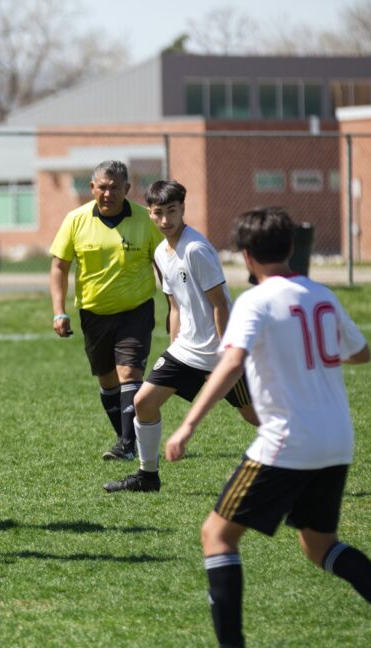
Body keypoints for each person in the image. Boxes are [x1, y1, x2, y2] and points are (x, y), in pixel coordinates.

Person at [164, 207, 371, 648]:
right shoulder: (321, 294)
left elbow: (231, 362)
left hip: (288, 440)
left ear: (246, 255)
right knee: (320, 546)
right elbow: (360, 351)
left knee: (217, 535)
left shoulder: (256, 302)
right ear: (291, 248)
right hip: (336, 439)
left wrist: (188, 425)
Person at [104, 180, 258, 494]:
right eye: (158, 213)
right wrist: (173, 347)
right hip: (186, 351)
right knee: (143, 402)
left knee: (255, 415)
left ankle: (304, 455)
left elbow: (220, 305)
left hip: (219, 353)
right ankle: (148, 477)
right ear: (149, 213)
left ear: (182, 209)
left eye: (172, 211)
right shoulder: (161, 252)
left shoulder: (196, 249)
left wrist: (229, 351)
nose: (165, 219)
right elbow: (174, 305)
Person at [50, 160, 163, 462]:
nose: (108, 193)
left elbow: (164, 262)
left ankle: (127, 444)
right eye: (102, 187)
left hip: (136, 310)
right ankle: (127, 438)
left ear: (127, 189)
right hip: (93, 313)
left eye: (115, 187)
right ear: (92, 188)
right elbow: (59, 267)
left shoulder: (145, 220)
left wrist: (176, 302)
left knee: (129, 372)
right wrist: (59, 311)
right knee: (107, 380)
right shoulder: (75, 219)